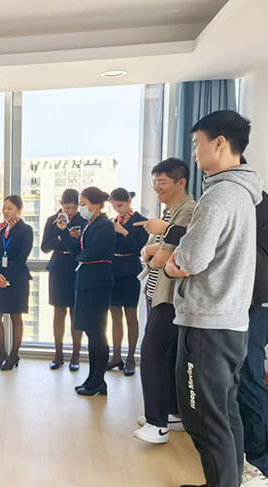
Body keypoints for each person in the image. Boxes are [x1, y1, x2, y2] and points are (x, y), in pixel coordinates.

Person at [144, 189, 268, 484]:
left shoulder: (241, 200)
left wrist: (171, 237)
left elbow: (203, 249)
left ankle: (257, 465)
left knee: (241, 385)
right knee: (228, 393)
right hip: (237, 306)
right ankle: (238, 471)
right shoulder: (241, 200)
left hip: (247, 306)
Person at [165, 111, 262, 487]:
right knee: (225, 413)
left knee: (203, 418)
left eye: (197, 144)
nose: (194, 152)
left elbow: (190, 259)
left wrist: (172, 263)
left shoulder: (219, 195)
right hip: (231, 322)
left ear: (219, 143)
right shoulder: (244, 193)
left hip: (208, 323)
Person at [132, 158, 195, 445]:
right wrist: (153, 250)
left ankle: (157, 424)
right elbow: (149, 251)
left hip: (170, 297)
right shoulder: (169, 214)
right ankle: (172, 413)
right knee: (166, 357)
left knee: (152, 354)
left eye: (162, 183)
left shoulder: (188, 211)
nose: (157, 188)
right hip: (157, 294)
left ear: (181, 182)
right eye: (155, 183)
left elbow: (159, 258)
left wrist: (153, 250)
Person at [60, 187, 115, 396]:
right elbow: (77, 251)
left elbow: (89, 253)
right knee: (90, 333)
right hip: (85, 282)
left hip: (97, 284)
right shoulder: (89, 224)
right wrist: (65, 232)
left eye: (83, 203)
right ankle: (92, 378)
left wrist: (80, 254)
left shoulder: (105, 225)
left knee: (97, 333)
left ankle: (99, 381)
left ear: (95, 204)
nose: (81, 207)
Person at [41, 188, 87, 371]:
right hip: (58, 268)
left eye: (74, 208)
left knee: (76, 313)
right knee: (58, 312)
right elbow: (45, 247)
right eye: (67, 208)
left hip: (76, 267)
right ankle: (58, 353)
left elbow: (80, 248)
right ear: (61, 205)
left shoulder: (83, 221)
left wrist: (66, 235)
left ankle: (76, 354)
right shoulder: (52, 220)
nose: (70, 212)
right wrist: (60, 236)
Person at [0, 195, 33, 371]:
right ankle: (2, 353)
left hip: (17, 278)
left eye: (10, 208)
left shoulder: (26, 230)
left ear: (19, 210)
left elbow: (23, 257)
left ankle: (14, 355)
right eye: (4, 207)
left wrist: (7, 277)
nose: (6, 211)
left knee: (16, 317)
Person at [107, 188, 148, 376]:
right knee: (114, 315)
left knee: (131, 315)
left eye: (120, 205)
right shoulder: (113, 221)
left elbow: (139, 249)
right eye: (114, 206)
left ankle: (131, 357)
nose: (117, 209)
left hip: (130, 271)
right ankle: (116, 356)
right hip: (113, 271)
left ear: (129, 202)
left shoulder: (140, 221)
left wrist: (124, 232)